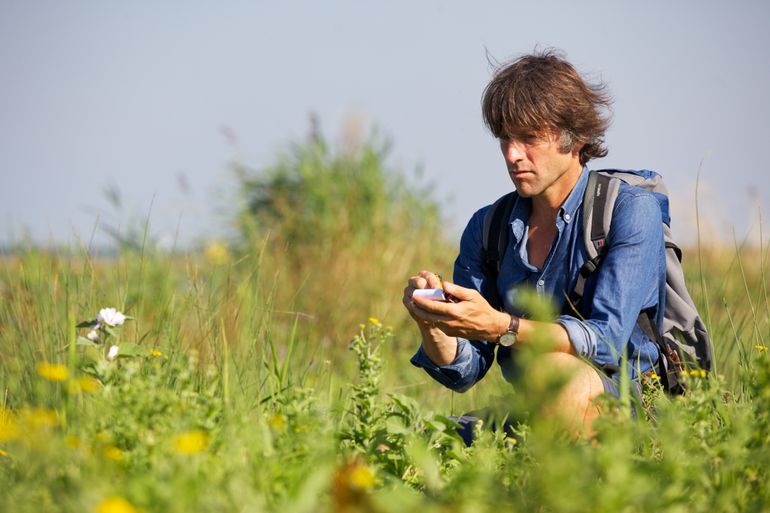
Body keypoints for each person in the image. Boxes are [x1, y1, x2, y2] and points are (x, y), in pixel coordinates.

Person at [402, 49, 665, 438]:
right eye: (505, 138)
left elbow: (607, 341)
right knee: (408, 445)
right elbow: (465, 372)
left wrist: (502, 326)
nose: (512, 154)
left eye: (528, 138)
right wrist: (435, 324)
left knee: (559, 375)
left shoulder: (629, 210)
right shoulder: (487, 227)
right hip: (535, 412)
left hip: (625, 409)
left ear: (573, 137)